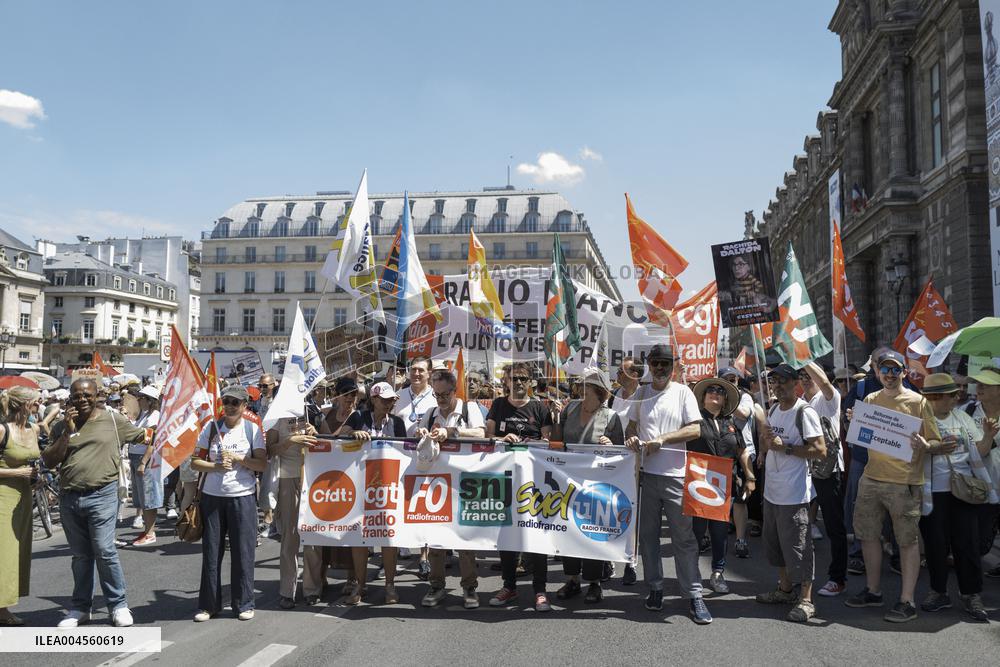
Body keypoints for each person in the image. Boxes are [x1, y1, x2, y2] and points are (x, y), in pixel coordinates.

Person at [844, 349, 942, 623]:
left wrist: (926, 445)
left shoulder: (918, 402)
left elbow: (935, 442)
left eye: (894, 370)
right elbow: (864, 434)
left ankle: (906, 601)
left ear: (903, 372)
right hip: (872, 478)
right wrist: (855, 419)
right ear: (877, 372)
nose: (889, 374)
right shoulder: (871, 399)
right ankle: (873, 591)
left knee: (907, 541)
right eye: (884, 370)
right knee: (868, 535)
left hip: (904, 482)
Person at [42, 378, 148, 628]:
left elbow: (144, 436)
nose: (82, 400)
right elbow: (49, 460)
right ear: (70, 398)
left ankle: (118, 605)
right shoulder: (61, 426)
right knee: (80, 556)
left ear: (97, 394)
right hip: (69, 497)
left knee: (104, 550)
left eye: (87, 395)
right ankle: (80, 608)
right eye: (77, 395)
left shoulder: (112, 420)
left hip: (102, 494)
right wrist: (67, 431)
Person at [625, 344, 712, 625]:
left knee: (684, 539)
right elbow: (630, 428)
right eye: (655, 363)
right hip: (647, 476)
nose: (660, 368)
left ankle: (694, 594)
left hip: (676, 476)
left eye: (665, 363)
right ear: (649, 365)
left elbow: (695, 428)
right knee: (648, 538)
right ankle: (655, 587)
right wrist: (633, 440)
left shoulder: (683, 392)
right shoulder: (641, 393)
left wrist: (663, 439)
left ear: (673, 366)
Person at [918, 373, 998, 622]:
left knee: (968, 544)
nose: (939, 401)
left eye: (944, 396)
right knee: (935, 545)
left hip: (963, 491)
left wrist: (987, 435)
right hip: (932, 493)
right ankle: (938, 591)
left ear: (953, 397)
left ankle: (971, 594)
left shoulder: (963, 418)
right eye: (932, 396)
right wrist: (930, 448)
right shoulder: (918, 420)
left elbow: (981, 452)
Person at [754, 364, 826, 623]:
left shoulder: (803, 412)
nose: (779, 385)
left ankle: (806, 600)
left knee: (799, 548)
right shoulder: (773, 409)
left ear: (795, 382)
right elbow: (770, 444)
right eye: (775, 381)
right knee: (776, 546)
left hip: (795, 495)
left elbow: (819, 450)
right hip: (772, 492)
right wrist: (766, 441)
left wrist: (785, 447)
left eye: (784, 381)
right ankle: (785, 589)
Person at [191, 385, 267, 622]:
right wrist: (214, 466)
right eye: (227, 401)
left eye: (236, 402)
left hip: (242, 496)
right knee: (211, 553)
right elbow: (195, 462)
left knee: (243, 552)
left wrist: (238, 459)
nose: (231, 406)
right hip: (212, 498)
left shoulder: (252, 429)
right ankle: (208, 605)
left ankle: (243, 603)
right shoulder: (211, 427)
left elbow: (262, 465)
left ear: (245, 406)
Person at [552, 369, 626, 604]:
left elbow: (621, 452)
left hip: (596, 483)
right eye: (581, 386)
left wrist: (611, 443)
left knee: (592, 532)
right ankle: (572, 579)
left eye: (587, 386)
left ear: (599, 391)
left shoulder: (611, 416)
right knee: (568, 530)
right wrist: (555, 419)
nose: (581, 390)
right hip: (568, 480)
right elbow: (557, 441)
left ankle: (594, 583)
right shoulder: (570, 409)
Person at [485, 362, 554, 612]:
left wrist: (534, 441)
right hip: (505, 480)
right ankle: (509, 586)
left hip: (534, 483)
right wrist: (502, 439)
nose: (518, 383)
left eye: (523, 378)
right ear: (506, 381)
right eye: (513, 378)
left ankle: (540, 590)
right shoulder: (498, 405)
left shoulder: (540, 408)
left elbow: (548, 444)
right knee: (507, 535)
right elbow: (488, 438)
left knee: (536, 534)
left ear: (531, 382)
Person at [416, 369, 486, 609]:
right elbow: (415, 439)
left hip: (465, 483)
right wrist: (421, 433)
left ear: (454, 391)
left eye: (444, 395)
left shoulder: (469, 409)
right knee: (435, 538)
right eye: (436, 395)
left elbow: (481, 432)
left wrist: (452, 432)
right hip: (437, 484)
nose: (441, 400)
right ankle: (437, 586)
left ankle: (469, 588)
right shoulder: (430, 413)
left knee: (464, 538)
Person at [338, 381, 407, 605]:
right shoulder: (359, 416)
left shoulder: (397, 422)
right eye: (385, 400)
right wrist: (354, 433)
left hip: (388, 486)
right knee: (360, 537)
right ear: (374, 400)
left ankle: (390, 585)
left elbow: (406, 449)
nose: (389, 404)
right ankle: (360, 584)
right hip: (360, 484)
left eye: (392, 400)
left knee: (388, 537)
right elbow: (341, 436)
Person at [688, 377, 752, 595]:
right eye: (710, 390)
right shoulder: (694, 421)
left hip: (723, 485)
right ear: (703, 397)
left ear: (725, 399)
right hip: (697, 482)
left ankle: (717, 572)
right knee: (696, 531)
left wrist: (750, 476)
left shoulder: (731, 423)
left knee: (720, 532)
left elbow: (742, 451)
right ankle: (691, 572)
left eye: (720, 391)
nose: (715, 393)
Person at [799, 363, 849, 597]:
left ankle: (837, 578)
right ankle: (800, 575)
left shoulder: (828, 398)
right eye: (802, 376)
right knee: (800, 524)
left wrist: (805, 359)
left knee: (833, 525)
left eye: (809, 375)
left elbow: (826, 384)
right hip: (804, 469)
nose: (806, 379)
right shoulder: (800, 403)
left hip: (828, 470)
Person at [269, 412, 321, 610]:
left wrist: (315, 432)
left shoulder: (310, 409)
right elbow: (269, 450)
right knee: (290, 538)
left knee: (312, 535)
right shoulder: (277, 414)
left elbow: (326, 440)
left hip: (313, 477)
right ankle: (287, 591)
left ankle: (312, 588)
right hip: (288, 477)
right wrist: (290, 441)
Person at [0, 387, 42, 626]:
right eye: (36, 402)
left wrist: (36, 477)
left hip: (24, 497)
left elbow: (33, 461)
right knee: (3, 555)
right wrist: (15, 472)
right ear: (25, 405)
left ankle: (4, 605)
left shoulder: (33, 429)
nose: (39, 406)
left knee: (18, 553)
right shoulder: (2, 430)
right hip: (3, 498)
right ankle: (2, 610)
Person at [393, 357, 436, 578]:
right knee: (400, 505)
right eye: (413, 370)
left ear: (429, 373)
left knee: (423, 507)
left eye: (421, 370)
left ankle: (424, 556)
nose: (416, 374)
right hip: (400, 457)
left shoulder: (436, 397)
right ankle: (396, 553)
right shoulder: (398, 395)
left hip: (426, 458)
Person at [719, 366, 761, 558]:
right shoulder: (713, 394)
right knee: (718, 496)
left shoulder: (744, 396)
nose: (731, 382)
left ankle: (740, 540)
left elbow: (743, 414)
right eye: (726, 379)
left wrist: (726, 400)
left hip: (743, 452)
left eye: (733, 380)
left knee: (740, 497)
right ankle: (713, 537)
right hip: (720, 453)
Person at [966, 366, 1000, 577]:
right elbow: (977, 452)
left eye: (986, 383)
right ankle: (971, 585)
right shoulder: (967, 412)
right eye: (978, 382)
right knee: (981, 541)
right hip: (982, 487)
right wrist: (988, 436)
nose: (979, 387)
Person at [131, 385, 162, 546]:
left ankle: (150, 532)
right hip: (137, 456)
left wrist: (143, 462)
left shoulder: (154, 417)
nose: (138, 400)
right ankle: (147, 530)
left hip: (146, 459)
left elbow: (152, 442)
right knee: (142, 497)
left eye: (141, 398)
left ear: (149, 401)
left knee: (149, 497)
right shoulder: (144, 415)